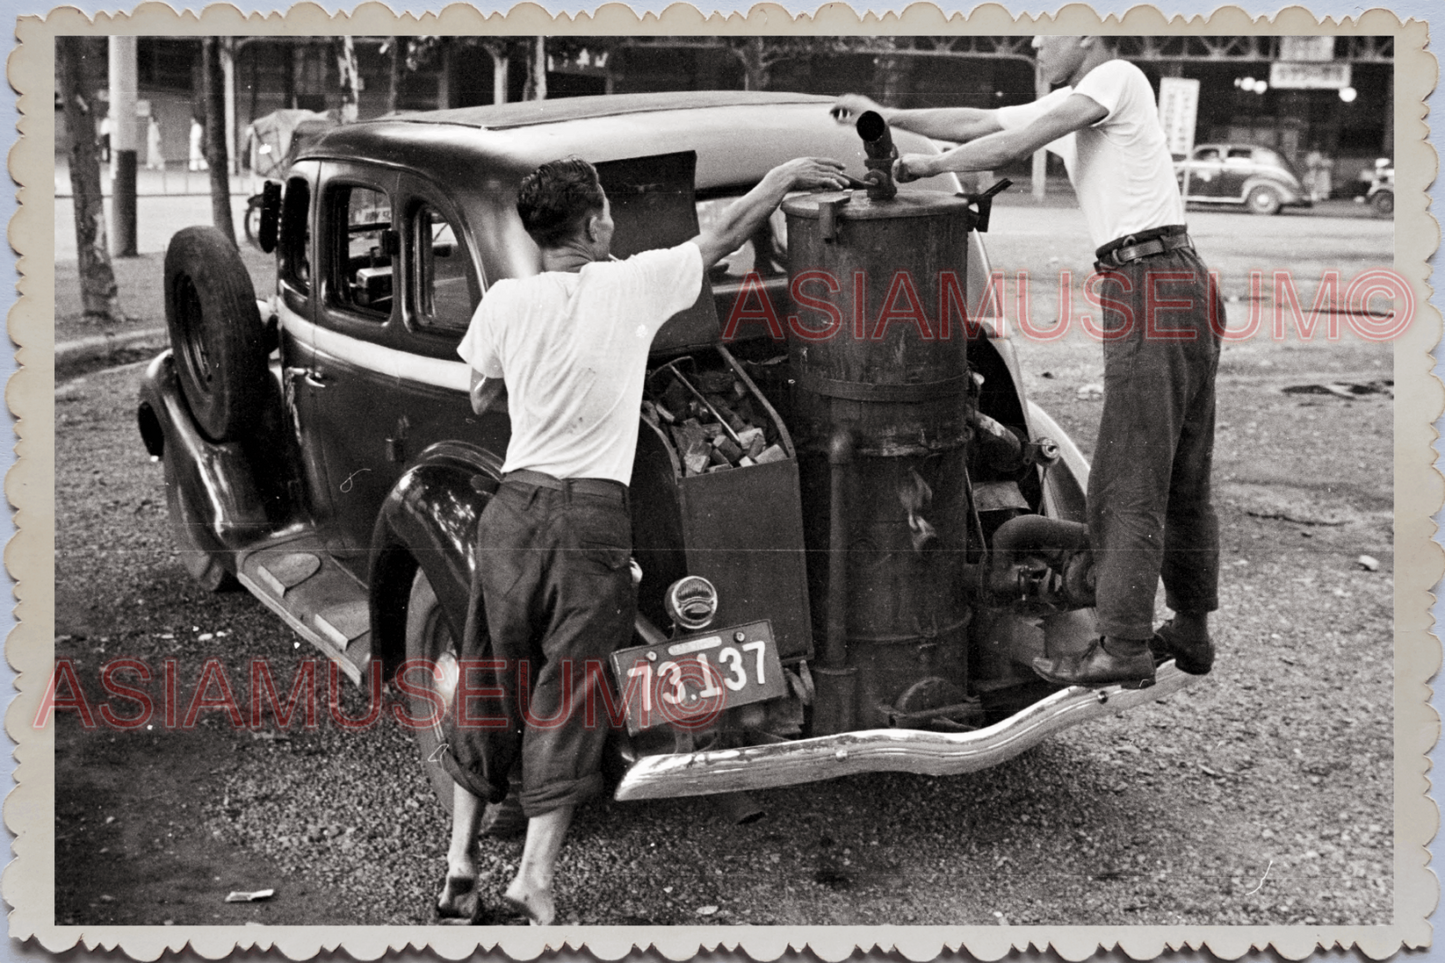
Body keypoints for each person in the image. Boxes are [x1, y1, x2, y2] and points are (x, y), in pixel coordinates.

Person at [445, 153, 849, 925]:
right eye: (606, 213)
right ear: (597, 223)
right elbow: (726, 229)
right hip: (591, 515)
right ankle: (531, 876)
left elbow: (480, 393)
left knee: (489, 674)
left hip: (515, 505)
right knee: (569, 695)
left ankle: (459, 859)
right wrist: (786, 175)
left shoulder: (503, 300)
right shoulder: (634, 282)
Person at [833, 35, 1221, 690]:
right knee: (1181, 468)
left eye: (1050, 24)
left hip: (1148, 280)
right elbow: (981, 124)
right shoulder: (1082, 98)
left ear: (1090, 32)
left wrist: (927, 168)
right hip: (1173, 278)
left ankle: (1124, 642)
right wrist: (886, 114)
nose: (1037, 38)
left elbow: (1011, 144)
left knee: (1128, 471)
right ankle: (1189, 627)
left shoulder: (1117, 78)